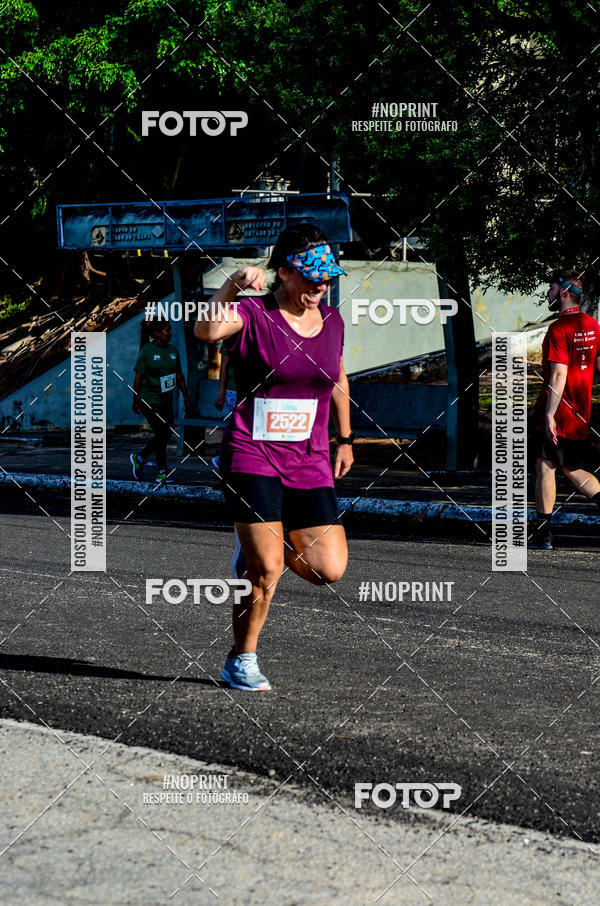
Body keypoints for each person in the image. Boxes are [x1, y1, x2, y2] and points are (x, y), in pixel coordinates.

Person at [194, 222, 354, 691]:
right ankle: (241, 659)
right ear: (284, 272)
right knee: (268, 569)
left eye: (326, 278)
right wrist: (230, 284)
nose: (319, 286)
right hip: (252, 452)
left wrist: (344, 438)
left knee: (328, 569)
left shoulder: (333, 321)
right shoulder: (253, 313)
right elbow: (205, 329)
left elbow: (338, 377)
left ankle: (253, 553)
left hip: (309, 459)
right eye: (310, 277)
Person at [531, 269, 600, 549]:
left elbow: (558, 375)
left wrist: (549, 414)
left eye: (551, 287)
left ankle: (543, 534)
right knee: (572, 468)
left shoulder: (559, 328)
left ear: (564, 292)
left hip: (558, 410)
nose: (548, 292)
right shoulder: (593, 326)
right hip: (580, 411)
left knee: (544, 466)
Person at [130, 318, 190, 483]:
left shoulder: (172, 351)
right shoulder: (146, 352)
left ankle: (140, 458)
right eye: (167, 330)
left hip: (166, 399)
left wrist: (185, 395)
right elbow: (137, 379)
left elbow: (179, 375)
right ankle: (162, 472)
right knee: (161, 433)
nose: (170, 333)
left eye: (170, 329)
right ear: (156, 333)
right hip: (149, 400)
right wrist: (135, 401)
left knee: (166, 433)